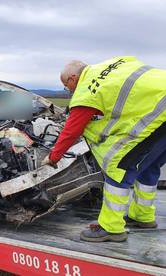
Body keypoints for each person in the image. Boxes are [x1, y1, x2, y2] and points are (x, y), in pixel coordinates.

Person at [41, 56, 166, 242]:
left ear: (72, 79)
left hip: (159, 114)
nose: (68, 91)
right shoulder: (115, 63)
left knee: (117, 166)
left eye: (66, 87)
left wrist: (53, 157)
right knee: (149, 166)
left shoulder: (86, 90)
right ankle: (142, 217)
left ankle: (111, 228)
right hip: (160, 110)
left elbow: (71, 130)